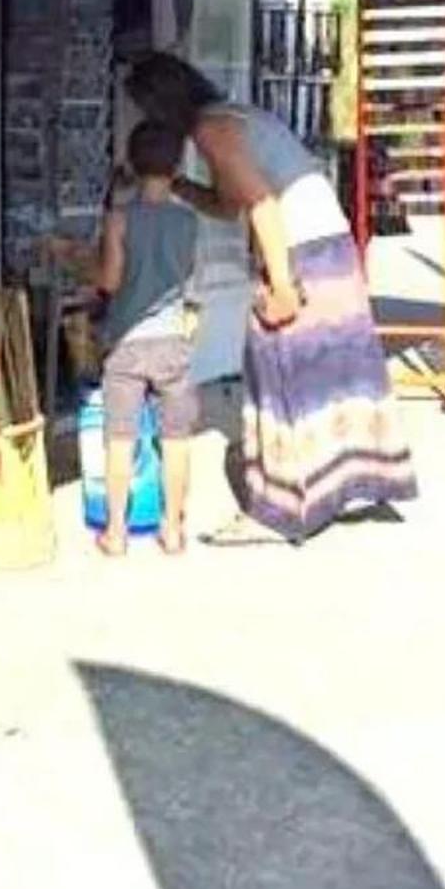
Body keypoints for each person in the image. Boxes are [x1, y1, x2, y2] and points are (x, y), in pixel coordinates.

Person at [123, 53, 417, 543]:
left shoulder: (214, 131)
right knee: (336, 374)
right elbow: (228, 205)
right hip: (329, 245)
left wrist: (281, 286)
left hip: (301, 252)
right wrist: (175, 185)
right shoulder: (236, 117)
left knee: (277, 372)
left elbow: (262, 205)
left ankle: (278, 510)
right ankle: (354, 481)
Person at [87, 120, 202, 557]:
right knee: (176, 439)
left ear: (132, 165)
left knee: (120, 437)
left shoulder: (119, 219)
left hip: (127, 342)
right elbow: (186, 274)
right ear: (176, 166)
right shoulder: (188, 221)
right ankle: (172, 530)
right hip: (173, 338)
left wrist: (88, 265)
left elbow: (111, 281)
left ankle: (116, 533)